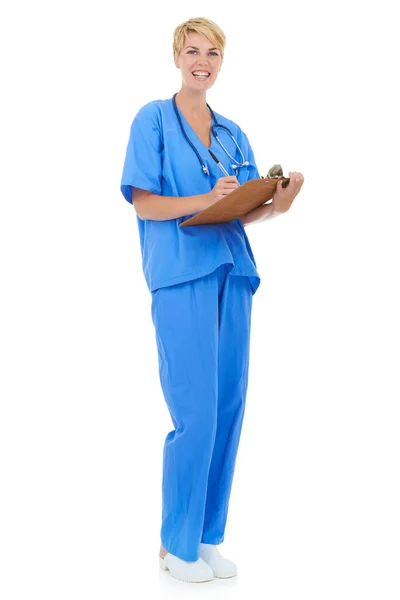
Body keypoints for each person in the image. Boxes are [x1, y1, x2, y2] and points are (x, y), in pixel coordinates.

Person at [120, 17, 304, 583]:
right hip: (180, 276)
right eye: (194, 51)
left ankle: (204, 536)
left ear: (222, 62)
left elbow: (246, 208)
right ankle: (174, 544)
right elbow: (145, 202)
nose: (204, 61)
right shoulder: (153, 119)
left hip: (232, 272)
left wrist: (280, 202)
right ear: (177, 56)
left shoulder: (232, 133)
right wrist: (205, 196)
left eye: (214, 53)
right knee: (195, 413)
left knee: (228, 410)